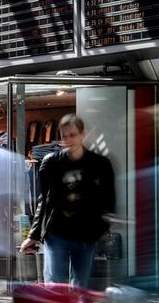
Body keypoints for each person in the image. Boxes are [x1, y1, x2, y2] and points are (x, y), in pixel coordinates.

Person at [20, 114, 116, 289]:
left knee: (80, 287)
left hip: (86, 234)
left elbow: (108, 199)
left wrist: (100, 229)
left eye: (72, 135)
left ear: (82, 134)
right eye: (65, 136)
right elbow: (44, 200)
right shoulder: (51, 162)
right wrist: (33, 235)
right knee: (54, 286)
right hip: (57, 232)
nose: (68, 140)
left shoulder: (99, 164)